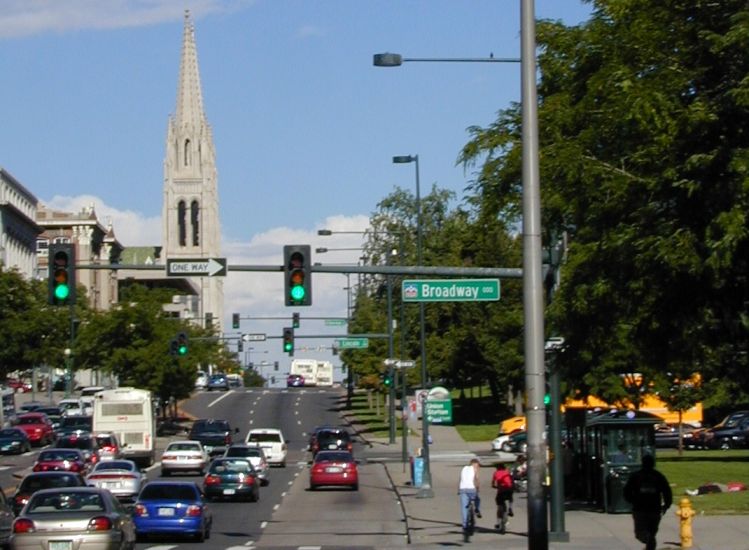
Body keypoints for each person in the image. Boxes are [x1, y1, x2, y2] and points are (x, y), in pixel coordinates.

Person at [623, 454, 672, 550]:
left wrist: (632, 501)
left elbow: (627, 491)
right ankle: (649, 542)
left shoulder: (636, 476)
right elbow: (667, 491)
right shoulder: (658, 476)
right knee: (652, 532)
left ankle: (647, 539)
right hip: (654, 508)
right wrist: (667, 505)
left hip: (640, 508)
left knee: (640, 532)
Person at [458, 458, 482, 536]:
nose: (478, 467)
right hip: (471, 489)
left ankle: (464, 526)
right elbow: (477, 479)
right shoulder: (474, 469)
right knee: (477, 499)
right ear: (475, 464)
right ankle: (477, 509)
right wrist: (478, 488)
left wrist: (458, 490)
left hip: (462, 489)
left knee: (464, 507)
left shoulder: (464, 468)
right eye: (478, 465)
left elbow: (460, 479)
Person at [491, 462, 514, 533]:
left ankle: (498, 523)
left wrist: (494, 486)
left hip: (501, 491)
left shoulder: (496, 473)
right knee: (510, 498)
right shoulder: (507, 472)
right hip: (509, 489)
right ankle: (510, 508)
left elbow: (493, 483)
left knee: (499, 505)